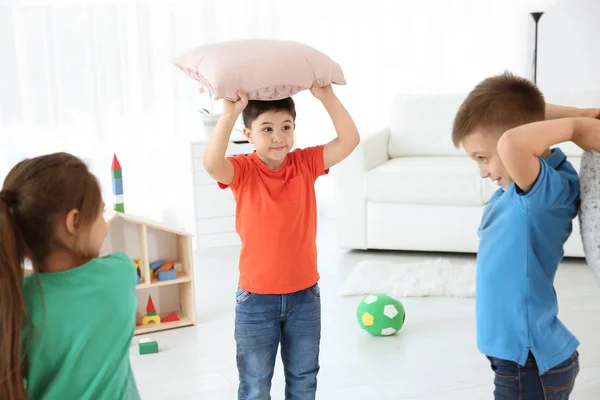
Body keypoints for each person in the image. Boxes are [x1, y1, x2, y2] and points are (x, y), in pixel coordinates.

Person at [203, 82, 360, 399]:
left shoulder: (305, 163)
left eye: (286, 127)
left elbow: (350, 140)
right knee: (255, 384)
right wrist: (230, 113)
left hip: (305, 298)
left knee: (304, 379)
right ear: (248, 135)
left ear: (294, 128)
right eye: (267, 129)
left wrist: (326, 96)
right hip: (255, 300)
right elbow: (211, 164)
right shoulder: (243, 170)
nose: (278, 137)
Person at [452, 71, 600, 399]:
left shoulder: (546, 193)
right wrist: (581, 113)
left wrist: (576, 127)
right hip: (517, 356)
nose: (483, 171)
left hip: (529, 361)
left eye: (483, 158)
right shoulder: (526, 185)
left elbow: (512, 140)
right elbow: (521, 120)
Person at [0, 152, 140, 400]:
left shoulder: (15, 302)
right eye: (100, 213)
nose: (104, 225)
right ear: (74, 222)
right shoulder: (120, 273)